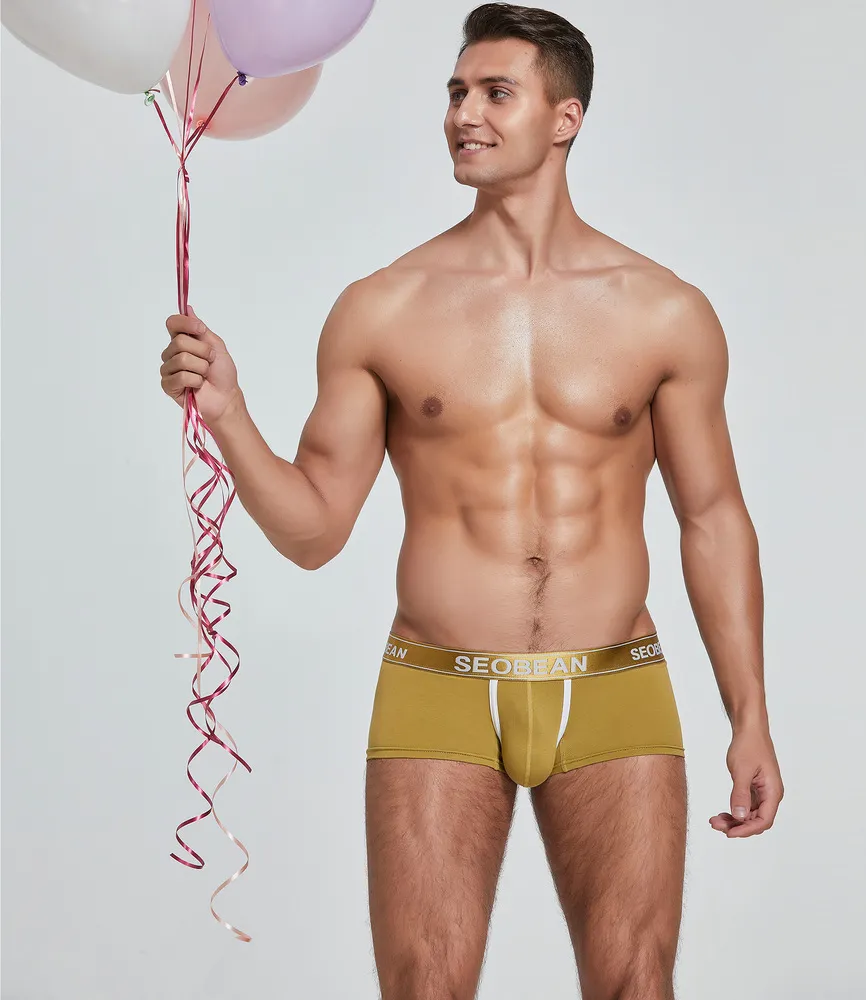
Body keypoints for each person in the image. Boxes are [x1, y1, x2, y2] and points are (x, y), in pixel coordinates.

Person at [159, 4, 783, 996]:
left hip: (613, 683)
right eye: (455, 92)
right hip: (437, 686)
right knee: (423, 985)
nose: (463, 114)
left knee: (637, 980)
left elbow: (712, 519)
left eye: (496, 92)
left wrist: (748, 714)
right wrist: (230, 416)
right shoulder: (383, 308)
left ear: (566, 118)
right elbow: (314, 530)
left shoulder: (665, 311)